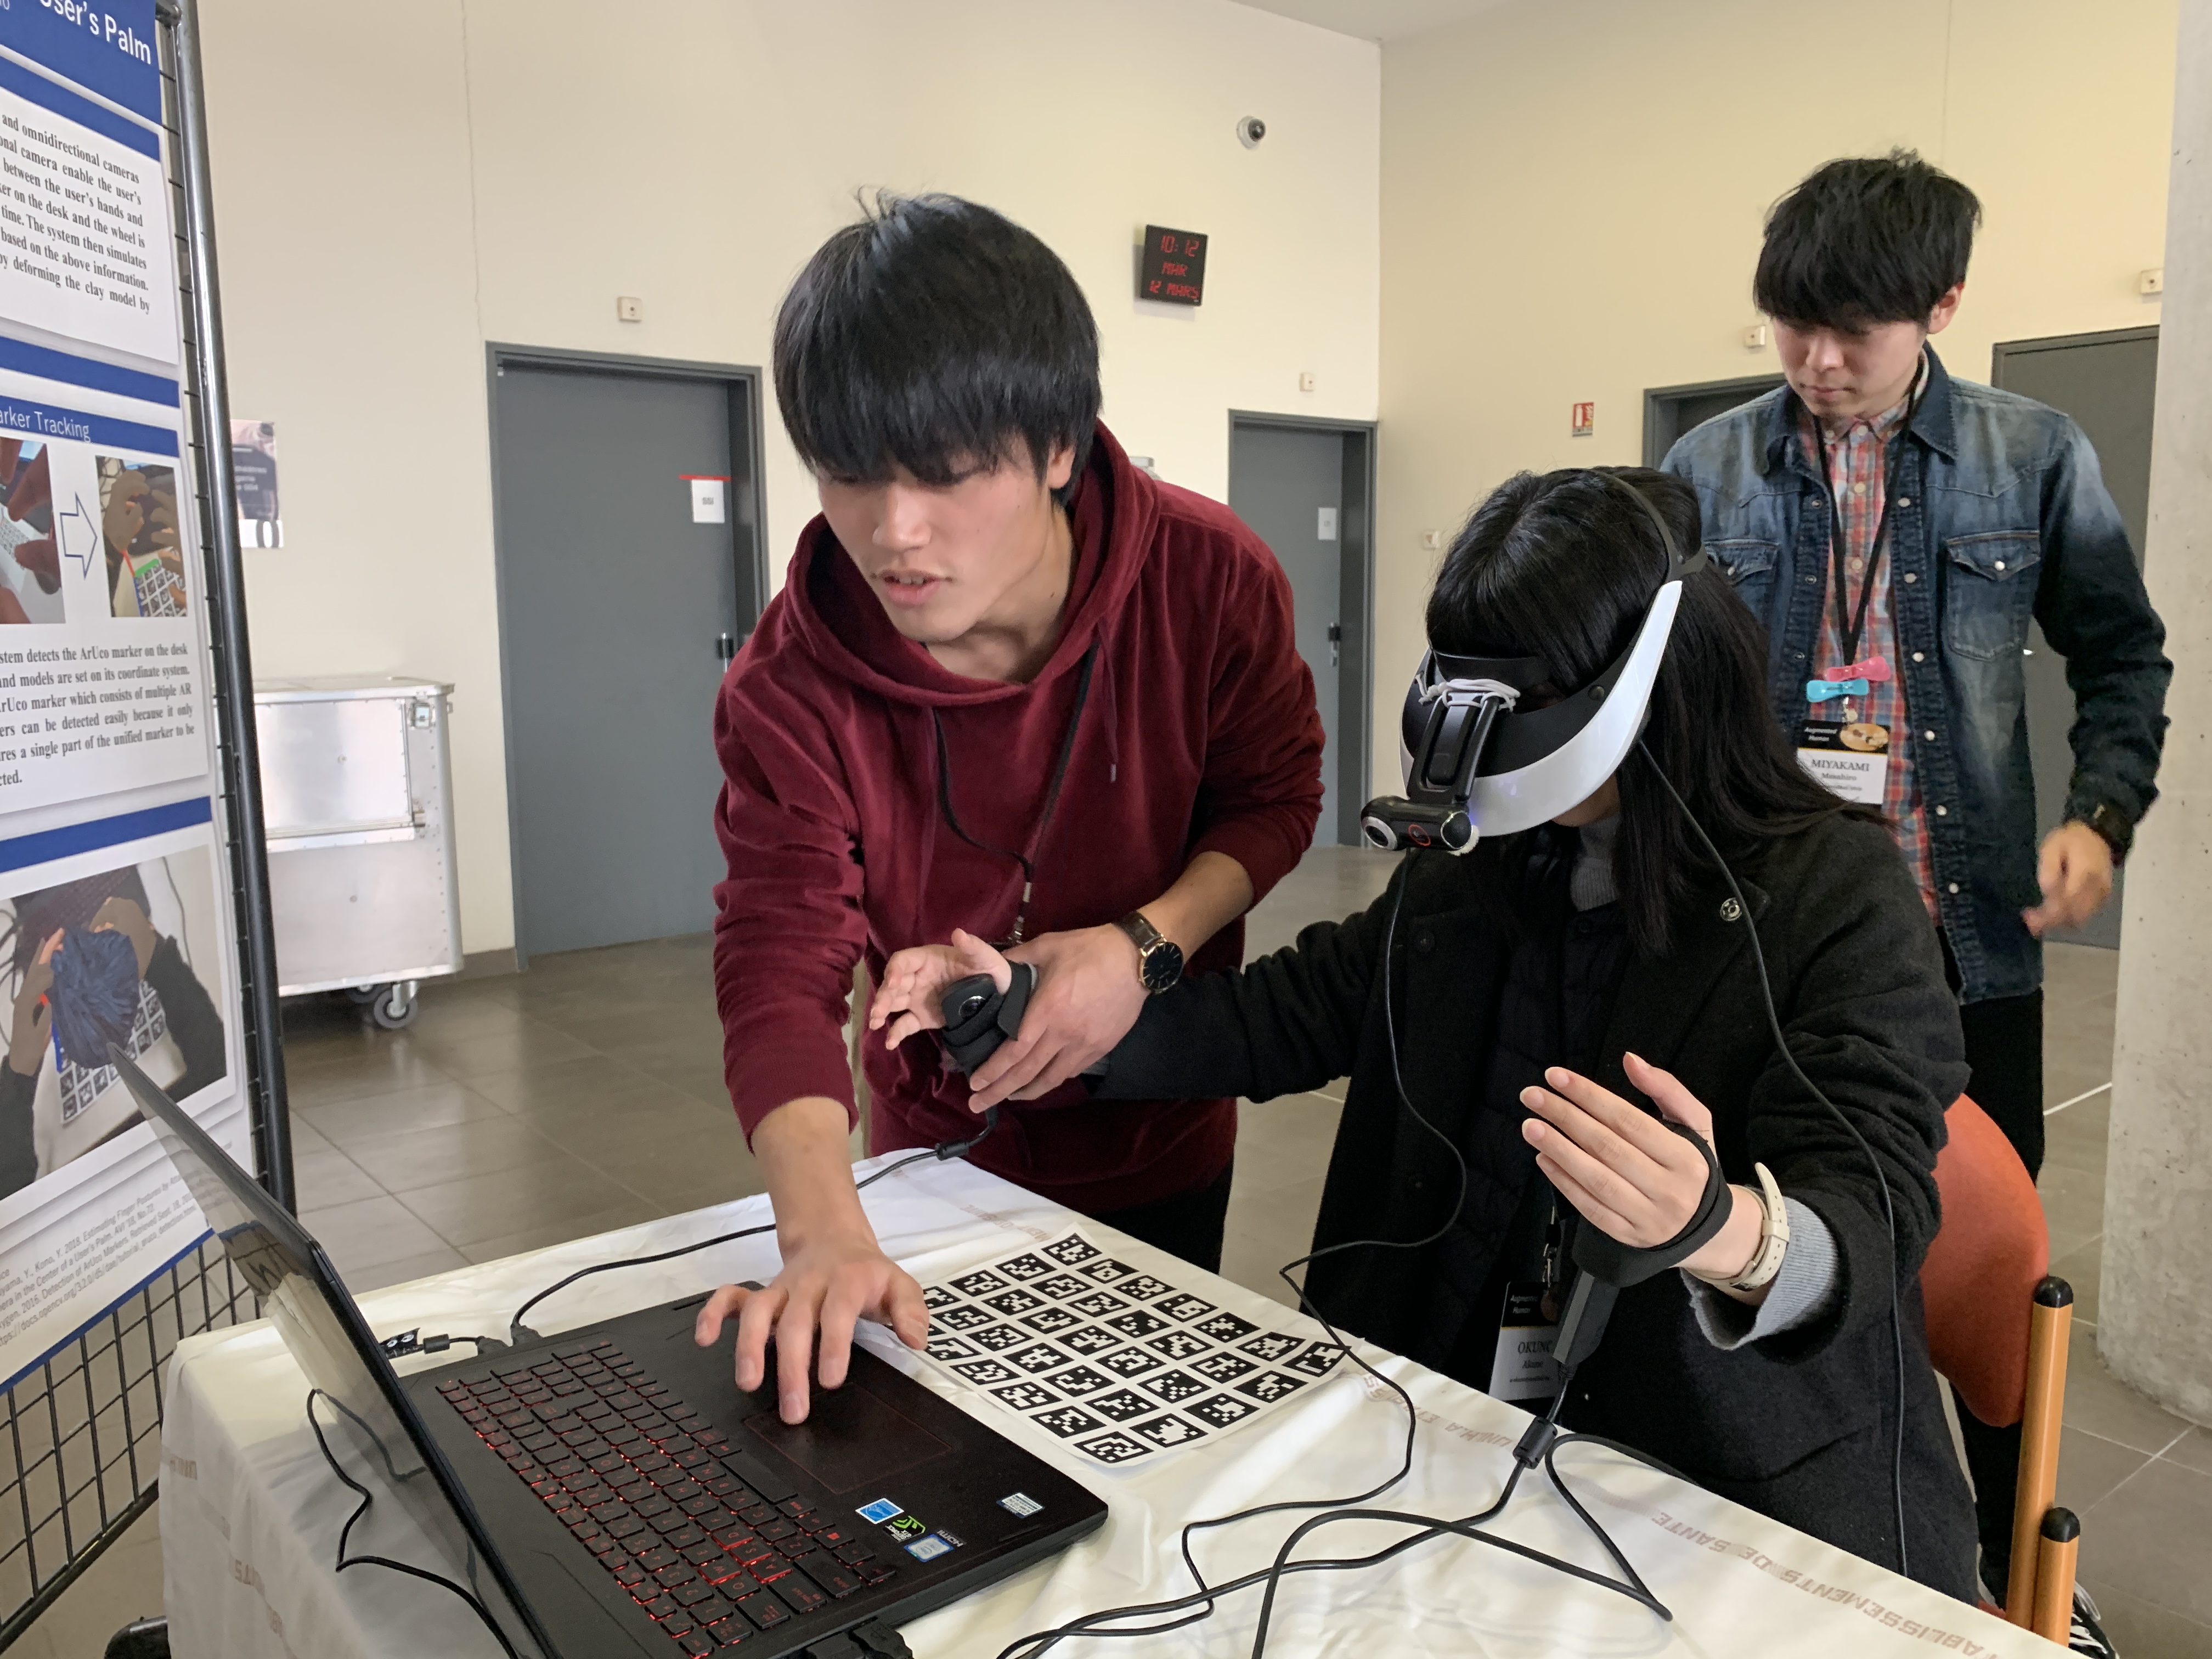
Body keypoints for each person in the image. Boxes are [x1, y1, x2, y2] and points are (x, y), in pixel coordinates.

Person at [873, 467, 1980, 1599]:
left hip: (1710, 1484)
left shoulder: (1836, 895)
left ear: (1652, 676)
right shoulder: (1485, 864)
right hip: (1445, 1420)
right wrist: (1034, 1005)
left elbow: (1875, 1208)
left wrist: (1721, 1229)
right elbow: (1288, 1014)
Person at [692, 194, 1324, 1424]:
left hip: (1161, 1129)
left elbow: (1274, 797)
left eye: (946, 473)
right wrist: (824, 1233)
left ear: (1058, 448)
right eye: (848, 473)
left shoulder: (1210, 580)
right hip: (935, 1159)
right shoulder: (790, 682)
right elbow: (777, 956)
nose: (894, 531)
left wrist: (1142, 947)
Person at [1662, 150, 2170, 1606]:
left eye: (1853, 332)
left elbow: (2124, 656)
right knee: (1767, 1253)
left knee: (1986, 1280)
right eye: (1791, 326)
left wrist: (2103, 817)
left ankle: (2015, 1580)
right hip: (1761, 937)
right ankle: (1799, 1551)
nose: (1816, 363)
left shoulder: (2032, 454)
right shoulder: (1709, 470)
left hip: (1965, 953)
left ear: (1942, 305)